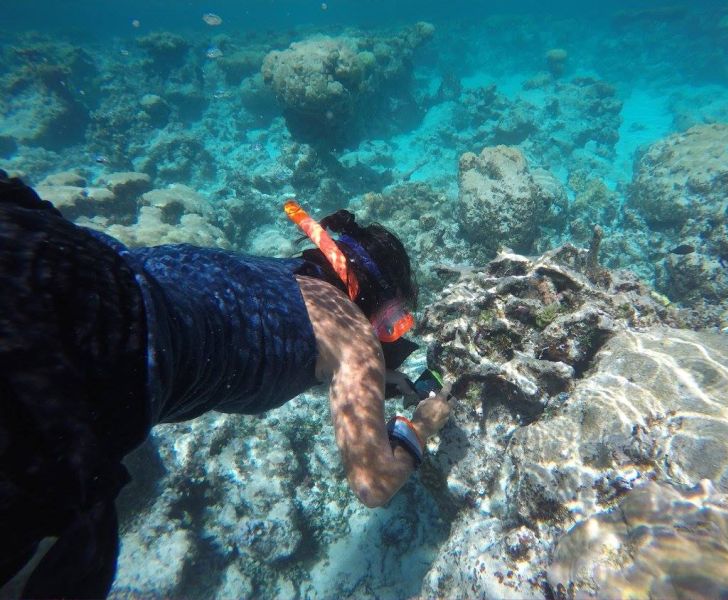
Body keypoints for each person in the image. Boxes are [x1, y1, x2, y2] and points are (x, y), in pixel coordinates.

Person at [0, 170, 452, 598]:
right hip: (91, 363)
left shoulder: (282, 270)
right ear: (371, 291)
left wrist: (374, 379)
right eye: (392, 322)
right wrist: (421, 427)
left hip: (50, 249)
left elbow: (283, 338)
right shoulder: (352, 334)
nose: (384, 334)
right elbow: (373, 483)